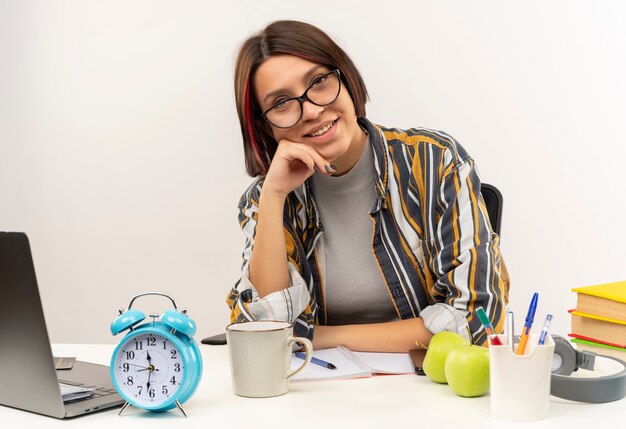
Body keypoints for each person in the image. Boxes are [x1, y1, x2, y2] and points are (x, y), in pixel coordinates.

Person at [226, 20, 509, 352]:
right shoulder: (265, 200)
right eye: (281, 103)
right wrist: (273, 196)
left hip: (431, 391)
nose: (312, 111)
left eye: (318, 82)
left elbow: (477, 320)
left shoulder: (434, 161)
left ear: (345, 78)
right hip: (318, 395)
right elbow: (262, 336)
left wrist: (324, 338)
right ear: (264, 127)